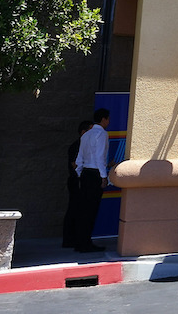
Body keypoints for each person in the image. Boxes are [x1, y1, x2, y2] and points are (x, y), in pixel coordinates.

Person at [73, 108, 110, 253]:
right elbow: (100, 156)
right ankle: (86, 243)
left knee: (84, 210)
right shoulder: (101, 134)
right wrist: (103, 176)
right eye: (108, 119)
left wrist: (79, 172)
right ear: (104, 119)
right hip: (94, 173)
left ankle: (80, 242)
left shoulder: (86, 134)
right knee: (91, 210)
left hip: (85, 173)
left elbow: (80, 157)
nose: (108, 122)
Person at [61, 120, 93, 248]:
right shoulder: (77, 146)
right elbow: (75, 164)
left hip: (83, 182)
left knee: (82, 211)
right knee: (75, 210)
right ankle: (69, 240)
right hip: (77, 182)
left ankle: (78, 238)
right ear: (83, 132)